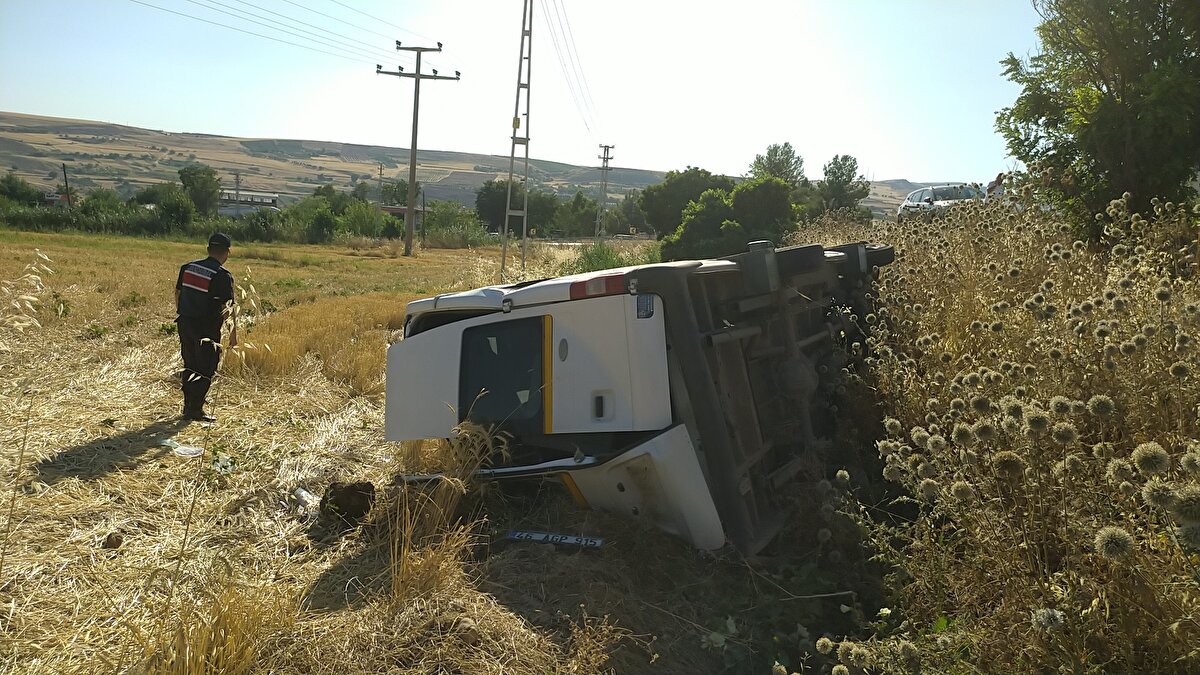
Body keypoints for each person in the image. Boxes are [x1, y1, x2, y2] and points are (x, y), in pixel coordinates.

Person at [175, 233, 237, 422]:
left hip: (185, 323)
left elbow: (178, 293)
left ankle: (188, 407)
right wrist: (233, 336)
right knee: (205, 368)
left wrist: (184, 311)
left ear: (208, 249)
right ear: (227, 252)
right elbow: (226, 308)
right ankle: (196, 410)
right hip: (206, 329)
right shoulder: (222, 276)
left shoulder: (187, 268)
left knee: (189, 364)